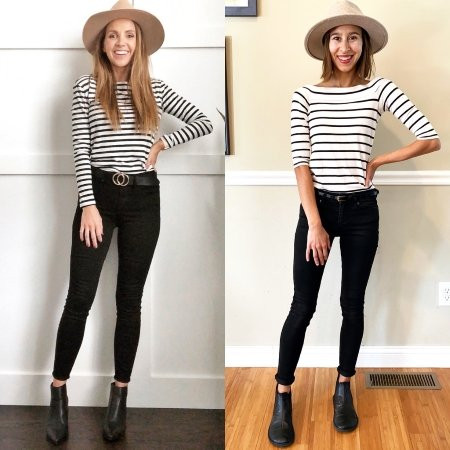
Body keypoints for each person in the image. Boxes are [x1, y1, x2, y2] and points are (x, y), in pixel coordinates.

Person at [268, 1, 440, 446]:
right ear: (326, 45)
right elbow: (300, 164)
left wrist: (380, 159)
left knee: (353, 304)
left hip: (363, 210)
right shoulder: (304, 95)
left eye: (353, 38)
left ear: (364, 45)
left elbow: (430, 138)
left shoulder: (379, 89)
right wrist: (315, 224)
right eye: (337, 38)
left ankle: (343, 387)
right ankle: (282, 394)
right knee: (301, 306)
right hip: (317, 210)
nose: (345, 47)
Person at [46, 0, 213, 445]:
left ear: (139, 44)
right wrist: (89, 204)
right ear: (102, 44)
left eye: (129, 35)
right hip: (97, 196)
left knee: (129, 300)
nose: (121, 42)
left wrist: (162, 144)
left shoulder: (153, 88)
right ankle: (58, 393)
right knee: (78, 297)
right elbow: (81, 150)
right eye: (113, 35)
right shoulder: (85, 88)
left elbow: (204, 122)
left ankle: (119, 395)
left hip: (143, 198)